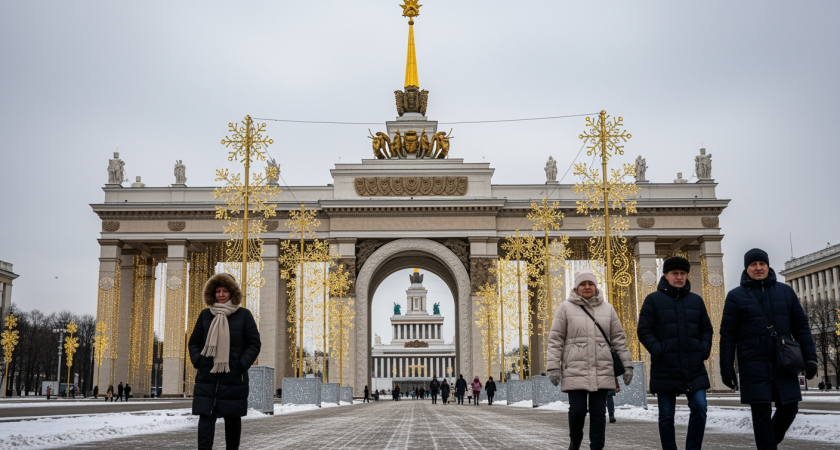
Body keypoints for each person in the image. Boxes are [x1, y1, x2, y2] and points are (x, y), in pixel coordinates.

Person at [720, 249, 817, 450]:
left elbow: (801, 327)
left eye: (761, 264)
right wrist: (726, 368)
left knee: (790, 408)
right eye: (753, 264)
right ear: (746, 268)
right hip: (752, 365)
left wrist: (810, 358)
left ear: (767, 266)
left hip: (784, 363)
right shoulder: (735, 296)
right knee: (761, 415)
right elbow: (728, 336)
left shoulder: (786, 292)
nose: (758, 268)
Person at [547, 269, 634, 450]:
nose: (587, 287)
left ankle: (597, 447)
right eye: (583, 284)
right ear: (576, 287)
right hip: (575, 369)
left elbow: (618, 339)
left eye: (590, 284)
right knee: (577, 411)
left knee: (598, 413)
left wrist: (627, 365)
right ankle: (575, 440)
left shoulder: (608, 309)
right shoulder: (565, 308)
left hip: (602, 368)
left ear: (595, 286)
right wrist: (553, 367)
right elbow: (555, 340)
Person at [637, 256, 713, 450]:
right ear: (665, 275)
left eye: (682, 273)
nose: (679, 277)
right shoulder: (653, 300)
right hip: (665, 366)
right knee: (666, 416)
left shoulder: (696, 301)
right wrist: (659, 350)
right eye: (674, 273)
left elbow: (706, 329)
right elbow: (644, 330)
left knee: (700, 407)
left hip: (694, 366)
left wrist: (703, 349)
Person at [189, 273, 261, 450]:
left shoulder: (244, 315)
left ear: (233, 293)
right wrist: (199, 361)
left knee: (233, 420)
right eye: (217, 291)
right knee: (206, 417)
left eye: (225, 291)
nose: (221, 294)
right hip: (208, 377)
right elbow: (194, 342)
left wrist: (241, 364)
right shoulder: (205, 315)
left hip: (233, 377)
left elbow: (254, 343)